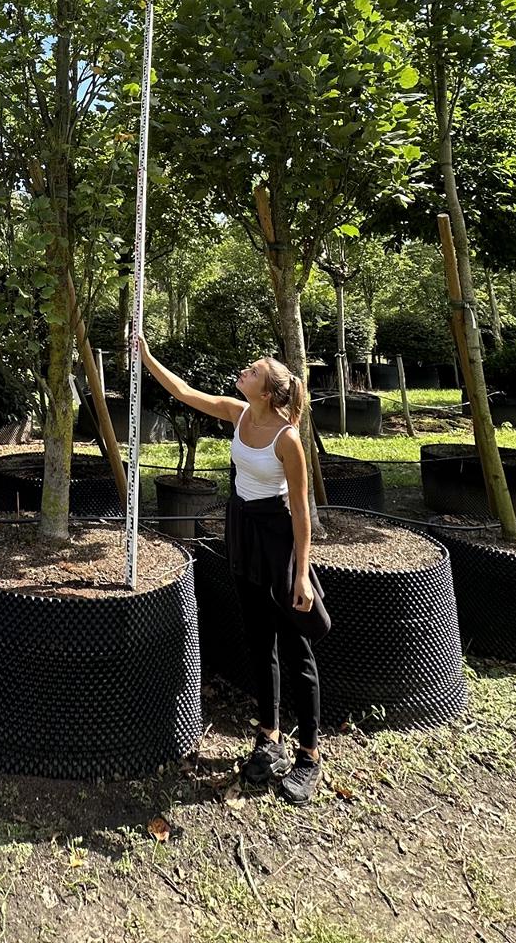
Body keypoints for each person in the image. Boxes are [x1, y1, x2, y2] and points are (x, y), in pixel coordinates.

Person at [139, 337, 328, 805]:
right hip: (242, 528)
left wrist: (301, 574)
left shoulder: (288, 440)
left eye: (253, 371)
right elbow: (183, 392)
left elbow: (302, 512)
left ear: (267, 392)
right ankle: (269, 734)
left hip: (278, 538)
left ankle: (309, 756)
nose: (243, 372)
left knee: (296, 649)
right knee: (259, 640)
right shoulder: (239, 414)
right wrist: (146, 357)